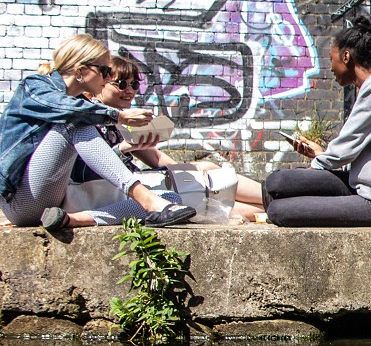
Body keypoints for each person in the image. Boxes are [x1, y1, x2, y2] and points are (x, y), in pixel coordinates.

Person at [0, 34, 194, 232]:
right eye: (105, 71)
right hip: (23, 200)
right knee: (74, 123)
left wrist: (125, 145)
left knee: (171, 199)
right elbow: (68, 111)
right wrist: (120, 117)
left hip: (64, 199)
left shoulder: (87, 110)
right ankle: (145, 198)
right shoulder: (34, 86)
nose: (109, 78)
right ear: (80, 71)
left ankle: (73, 219)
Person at [262, 16, 371, 227]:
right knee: (277, 182)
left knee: (278, 210)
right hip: (368, 187)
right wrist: (321, 154)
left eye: (332, 59)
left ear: (346, 56)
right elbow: (353, 145)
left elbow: (349, 143)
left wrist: (319, 164)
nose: (330, 68)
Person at [91, 56, 265, 223]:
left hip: (139, 183)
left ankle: (271, 200)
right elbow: (89, 168)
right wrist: (124, 148)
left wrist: (189, 175)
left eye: (134, 84)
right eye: (121, 84)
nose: (129, 91)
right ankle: (271, 201)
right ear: (100, 83)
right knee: (203, 194)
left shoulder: (122, 120)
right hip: (120, 190)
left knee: (206, 171)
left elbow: (157, 158)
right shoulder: (89, 120)